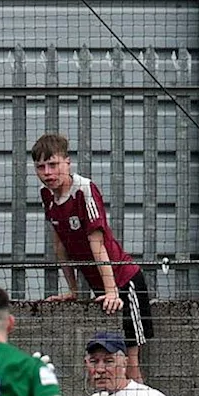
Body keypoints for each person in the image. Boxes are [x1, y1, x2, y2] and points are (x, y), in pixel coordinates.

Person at [32, 134, 154, 382]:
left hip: (124, 281)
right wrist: (74, 290)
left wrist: (112, 291)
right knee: (107, 365)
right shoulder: (47, 196)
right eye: (40, 167)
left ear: (67, 163)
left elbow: (96, 242)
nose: (47, 172)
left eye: (53, 165)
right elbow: (60, 244)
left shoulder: (84, 190)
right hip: (98, 286)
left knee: (131, 366)